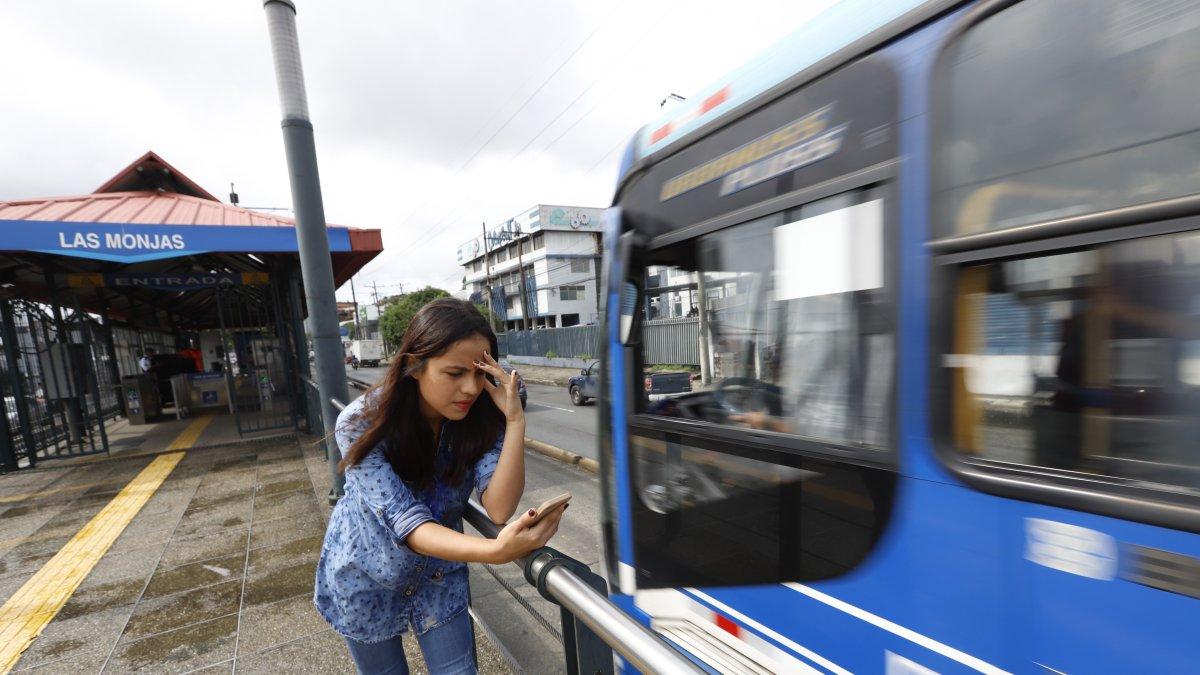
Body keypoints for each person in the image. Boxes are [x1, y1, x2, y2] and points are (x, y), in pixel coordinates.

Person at [314, 298, 565, 675]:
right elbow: (408, 522)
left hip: (438, 576)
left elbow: (498, 507)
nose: (470, 389)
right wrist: (496, 551)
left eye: (479, 373)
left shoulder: (482, 418)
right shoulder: (362, 422)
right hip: (366, 573)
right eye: (454, 373)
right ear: (415, 365)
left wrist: (514, 422)